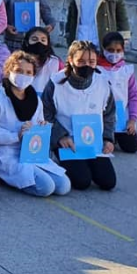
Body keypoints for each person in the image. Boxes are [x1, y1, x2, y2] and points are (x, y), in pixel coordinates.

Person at [0, 51, 70, 197]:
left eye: (28, 72)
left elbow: (37, 126)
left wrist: (41, 127)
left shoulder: (35, 100)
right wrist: (16, 136)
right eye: (18, 71)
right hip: (7, 154)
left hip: (32, 153)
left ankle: (26, 176)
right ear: (8, 71)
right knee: (46, 188)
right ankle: (4, 178)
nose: (24, 75)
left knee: (63, 186)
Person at [41, 40, 117, 191]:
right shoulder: (55, 83)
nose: (86, 65)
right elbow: (44, 114)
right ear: (70, 60)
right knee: (82, 182)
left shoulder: (102, 82)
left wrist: (108, 139)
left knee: (108, 182)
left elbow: (109, 114)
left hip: (94, 143)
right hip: (66, 142)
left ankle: (88, 161)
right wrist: (59, 136)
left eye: (91, 61)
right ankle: (59, 158)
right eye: (81, 61)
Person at [98, 31, 137, 153]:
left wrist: (132, 120)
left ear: (123, 50)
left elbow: (134, 96)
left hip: (121, 117)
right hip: (102, 116)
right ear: (103, 49)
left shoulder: (126, 71)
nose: (114, 54)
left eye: (118, 50)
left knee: (132, 147)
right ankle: (109, 138)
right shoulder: (96, 68)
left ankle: (115, 137)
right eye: (110, 50)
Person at [22, 27, 63, 93]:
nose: (39, 42)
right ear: (27, 42)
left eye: (43, 40)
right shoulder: (19, 60)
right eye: (34, 39)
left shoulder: (56, 62)